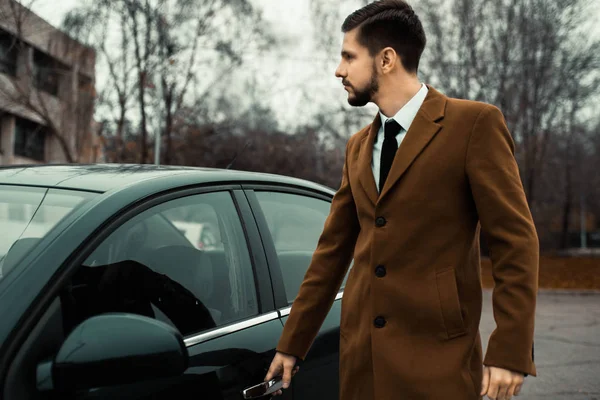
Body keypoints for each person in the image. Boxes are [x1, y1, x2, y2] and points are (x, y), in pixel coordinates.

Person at [265, 1, 539, 399]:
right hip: (362, 363)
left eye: (348, 56)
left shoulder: (473, 125)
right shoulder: (358, 147)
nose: (338, 70)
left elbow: (515, 242)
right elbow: (331, 255)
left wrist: (510, 350)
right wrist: (292, 343)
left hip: (438, 363)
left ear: (387, 59)